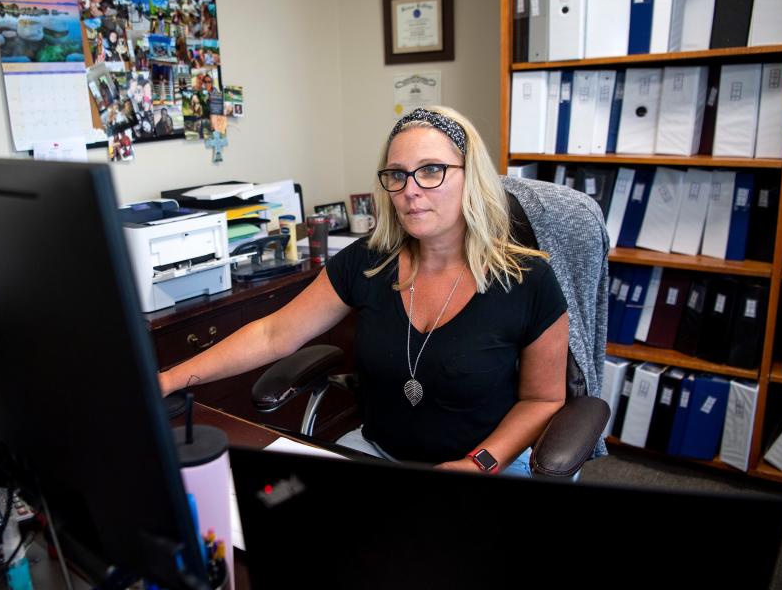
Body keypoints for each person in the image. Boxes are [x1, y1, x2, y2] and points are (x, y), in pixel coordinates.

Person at [159, 106, 568, 477]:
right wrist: (169, 379)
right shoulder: (368, 261)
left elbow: (542, 401)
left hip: (487, 464)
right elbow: (273, 333)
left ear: (471, 176)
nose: (410, 190)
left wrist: (478, 463)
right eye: (397, 174)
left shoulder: (528, 279)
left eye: (430, 170)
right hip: (378, 453)